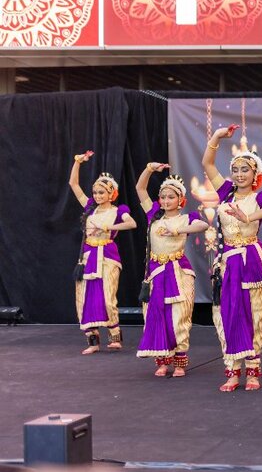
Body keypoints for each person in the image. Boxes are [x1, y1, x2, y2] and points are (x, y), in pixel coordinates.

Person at [203, 126, 262, 391]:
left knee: (254, 316)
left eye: (245, 170)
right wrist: (217, 137)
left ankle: (252, 370)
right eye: (236, 169)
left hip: (252, 260)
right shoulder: (225, 191)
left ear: (255, 174)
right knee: (228, 315)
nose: (239, 174)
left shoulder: (259, 196)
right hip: (228, 261)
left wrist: (250, 216)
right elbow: (207, 163)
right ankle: (231, 370)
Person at [134, 163, 209, 377]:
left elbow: (202, 226)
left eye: (171, 197)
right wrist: (148, 169)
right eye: (163, 197)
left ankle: (179, 361)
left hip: (179, 271)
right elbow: (140, 189)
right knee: (156, 316)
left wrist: (177, 229)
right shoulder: (153, 216)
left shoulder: (187, 217)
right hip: (156, 272)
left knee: (179, 316)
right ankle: (162, 361)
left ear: (180, 200)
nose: (166, 201)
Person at [68, 151, 137, 354]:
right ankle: (93, 341)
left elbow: (131, 223)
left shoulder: (118, 210)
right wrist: (77, 163)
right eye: (96, 192)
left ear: (111, 193)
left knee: (107, 296)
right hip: (88, 256)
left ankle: (114, 336)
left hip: (107, 255)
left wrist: (108, 228)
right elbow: (74, 185)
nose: (98, 196)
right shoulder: (90, 207)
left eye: (102, 192)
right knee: (85, 297)